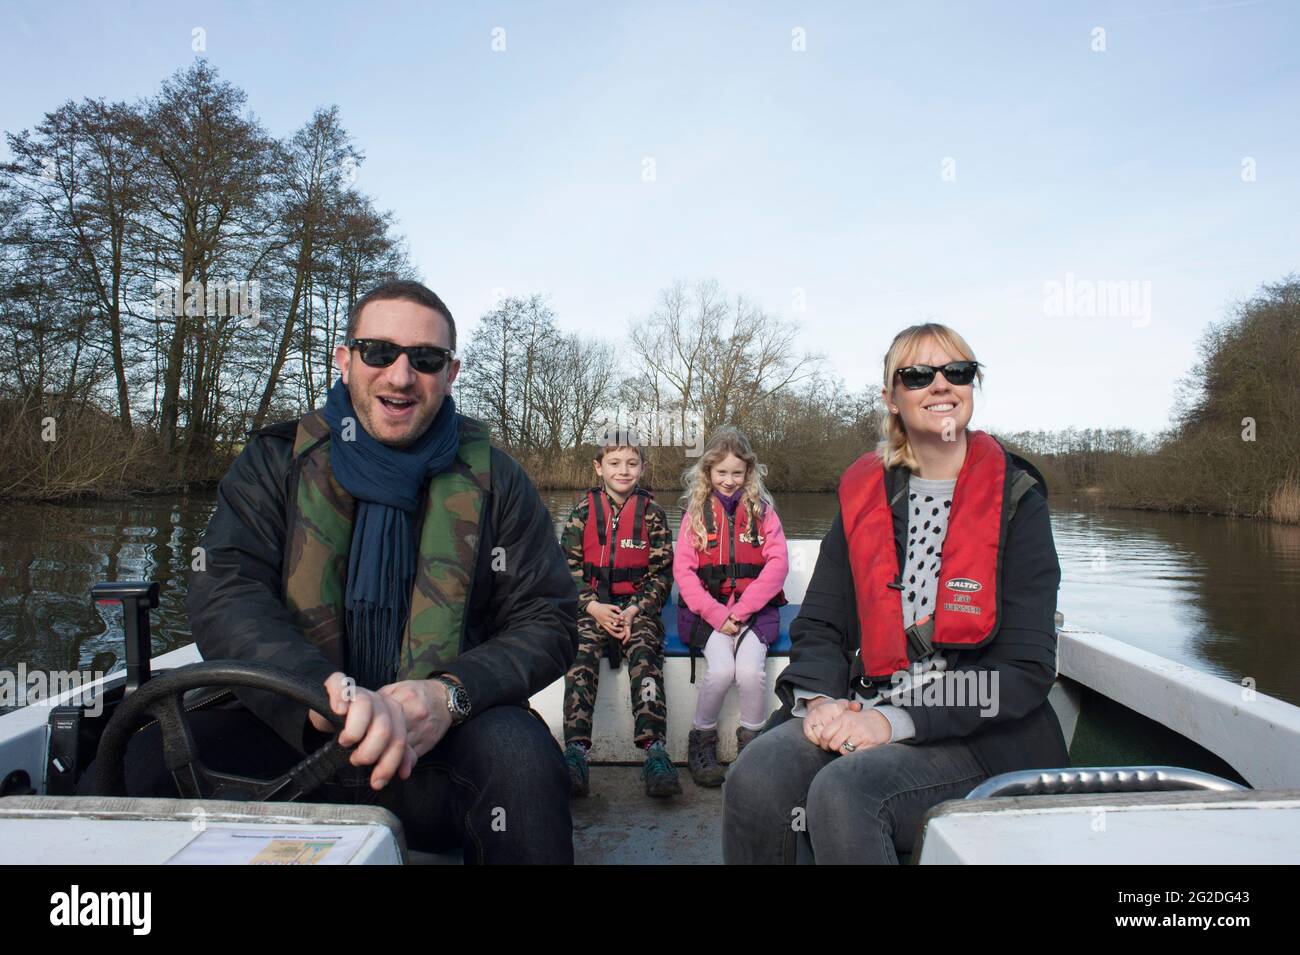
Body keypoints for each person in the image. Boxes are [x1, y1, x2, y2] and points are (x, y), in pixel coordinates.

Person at [90, 279, 578, 864]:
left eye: (425, 360)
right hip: (285, 731)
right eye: (379, 352)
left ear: (450, 374)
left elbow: (547, 619)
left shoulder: (501, 481)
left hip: (439, 749)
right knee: (136, 766)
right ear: (345, 360)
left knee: (525, 768)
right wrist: (318, 693)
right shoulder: (272, 463)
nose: (400, 376)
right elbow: (227, 591)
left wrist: (450, 695)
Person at [723, 322, 1069, 864]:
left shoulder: (1019, 502)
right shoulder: (866, 497)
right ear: (890, 397)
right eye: (917, 375)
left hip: (980, 734)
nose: (941, 384)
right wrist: (818, 701)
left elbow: (1023, 668)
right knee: (758, 774)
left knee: (846, 792)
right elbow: (821, 625)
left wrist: (893, 721)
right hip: (866, 701)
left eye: (957, 371)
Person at [559, 430, 679, 798]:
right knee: (579, 655)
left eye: (631, 463)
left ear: (642, 468)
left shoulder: (654, 515)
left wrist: (633, 610)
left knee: (646, 659)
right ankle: (576, 753)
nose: (623, 470)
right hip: (591, 609)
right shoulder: (581, 513)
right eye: (614, 463)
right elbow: (565, 568)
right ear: (599, 467)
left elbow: (662, 574)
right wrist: (592, 606)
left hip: (636, 610)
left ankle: (654, 752)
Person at [673, 427, 788, 787]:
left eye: (737, 473)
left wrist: (742, 611)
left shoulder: (764, 513)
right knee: (722, 670)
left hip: (753, 611)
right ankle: (701, 741)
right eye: (721, 472)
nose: (729, 480)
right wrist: (718, 614)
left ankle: (751, 747)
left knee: (750, 672)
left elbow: (778, 565)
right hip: (709, 613)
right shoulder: (695, 515)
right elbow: (684, 572)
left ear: (749, 473)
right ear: (707, 472)